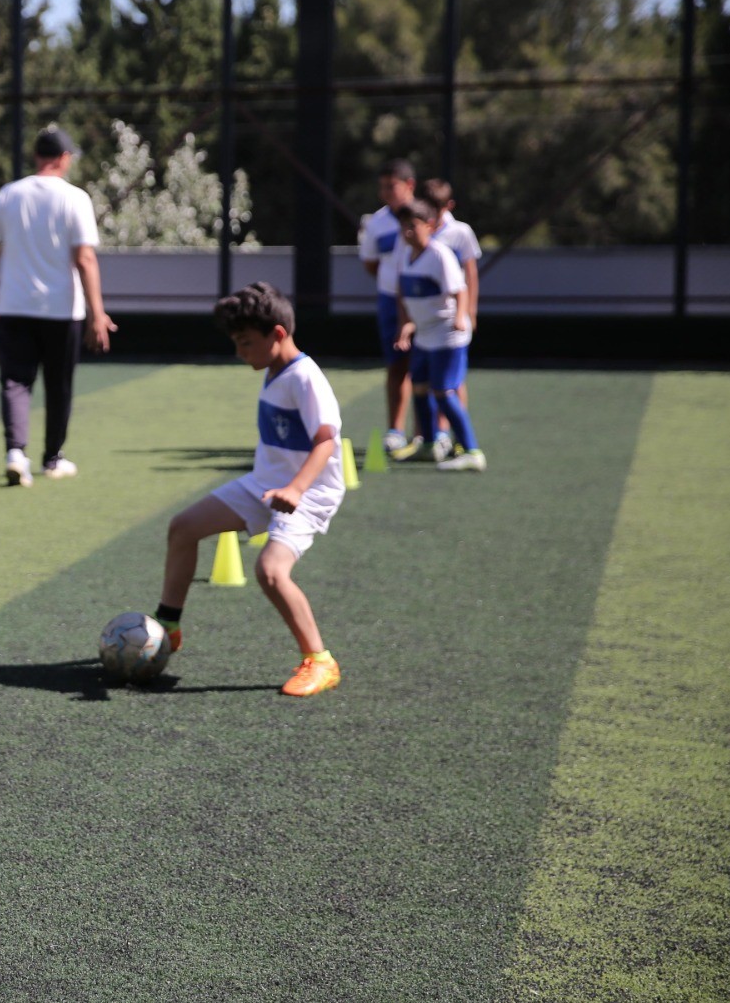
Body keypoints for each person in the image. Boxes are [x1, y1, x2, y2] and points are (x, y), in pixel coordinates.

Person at [152, 282, 346, 697]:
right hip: (265, 484)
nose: (240, 353)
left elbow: (327, 440)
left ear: (277, 335)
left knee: (271, 573)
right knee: (183, 527)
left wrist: (295, 489)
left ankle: (320, 661)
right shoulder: (275, 369)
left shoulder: (305, 378)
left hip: (307, 492)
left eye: (245, 343)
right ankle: (168, 627)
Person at [0, 125, 117, 487]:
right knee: (59, 384)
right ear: (64, 158)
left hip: (14, 306)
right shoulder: (75, 198)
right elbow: (85, 259)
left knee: (15, 381)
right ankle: (53, 458)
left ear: (38, 157)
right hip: (61, 311)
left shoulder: (10, 194)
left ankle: (15, 454)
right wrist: (97, 314)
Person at [391, 179, 483, 462]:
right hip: (424, 335)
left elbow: (461, 290)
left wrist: (460, 317)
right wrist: (406, 326)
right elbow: (403, 295)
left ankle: (470, 450)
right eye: (404, 226)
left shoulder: (440, 256)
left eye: (413, 226)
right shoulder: (406, 255)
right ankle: (429, 445)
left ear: (429, 226)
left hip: (447, 335)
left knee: (443, 391)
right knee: (419, 386)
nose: (407, 232)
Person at [358, 159, 416, 455]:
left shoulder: (425, 216)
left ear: (409, 186)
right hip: (389, 301)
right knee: (397, 365)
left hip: (424, 301)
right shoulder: (377, 222)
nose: (385, 193)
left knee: (431, 370)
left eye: (390, 186)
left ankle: (431, 433)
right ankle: (396, 430)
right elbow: (370, 263)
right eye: (382, 187)